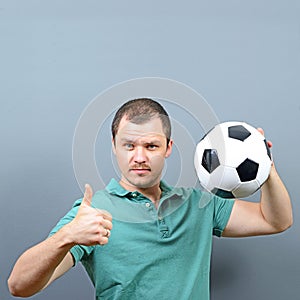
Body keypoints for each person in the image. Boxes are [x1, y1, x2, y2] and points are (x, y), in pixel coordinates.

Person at [8, 98, 293, 299]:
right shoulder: (93, 213)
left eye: (151, 146)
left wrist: (265, 165)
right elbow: (19, 286)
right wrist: (67, 236)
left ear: (168, 148)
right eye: (129, 145)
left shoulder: (199, 204)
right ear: (114, 147)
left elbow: (276, 221)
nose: (139, 157)